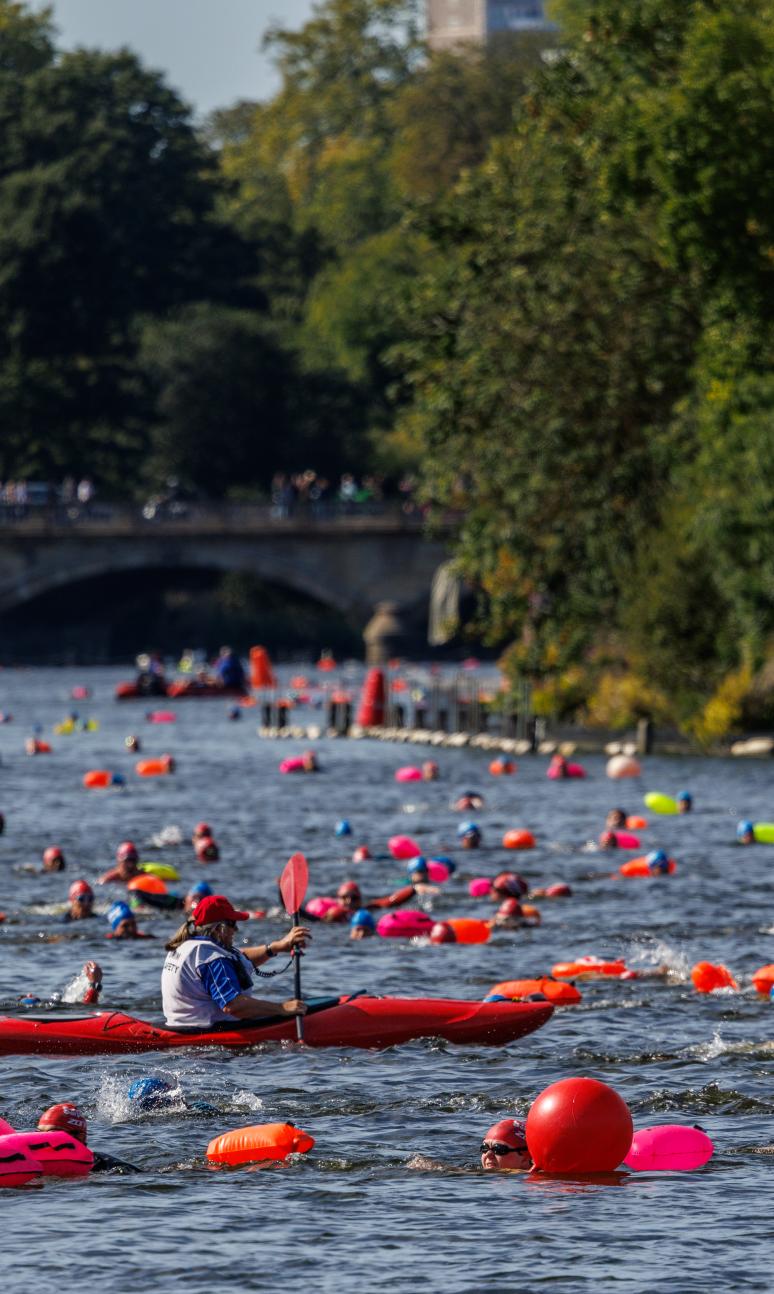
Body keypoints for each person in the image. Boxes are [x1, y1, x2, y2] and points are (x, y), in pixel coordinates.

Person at [161, 894, 309, 1028]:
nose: (236, 930)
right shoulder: (212, 958)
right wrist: (282, 1009)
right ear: (219, 929)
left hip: (180, 1026)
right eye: (232, 924)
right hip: (209, 1040)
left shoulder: (186, 945)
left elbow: (236, 959)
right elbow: (234, 1006)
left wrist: (275, 948)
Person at [37, 1102, 140, 1174]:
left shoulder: (102, 1166)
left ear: (79, 1137)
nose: (42, 1140)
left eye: (51, 1133)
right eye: (38, 1133)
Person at [317, 879, 420, 923]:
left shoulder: (368, 909)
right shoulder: (331, 913)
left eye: (354, 898)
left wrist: (414, 888)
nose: (349, 901)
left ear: (360, 900)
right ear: (337, 899)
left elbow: (391, 901)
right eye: (344, 898)